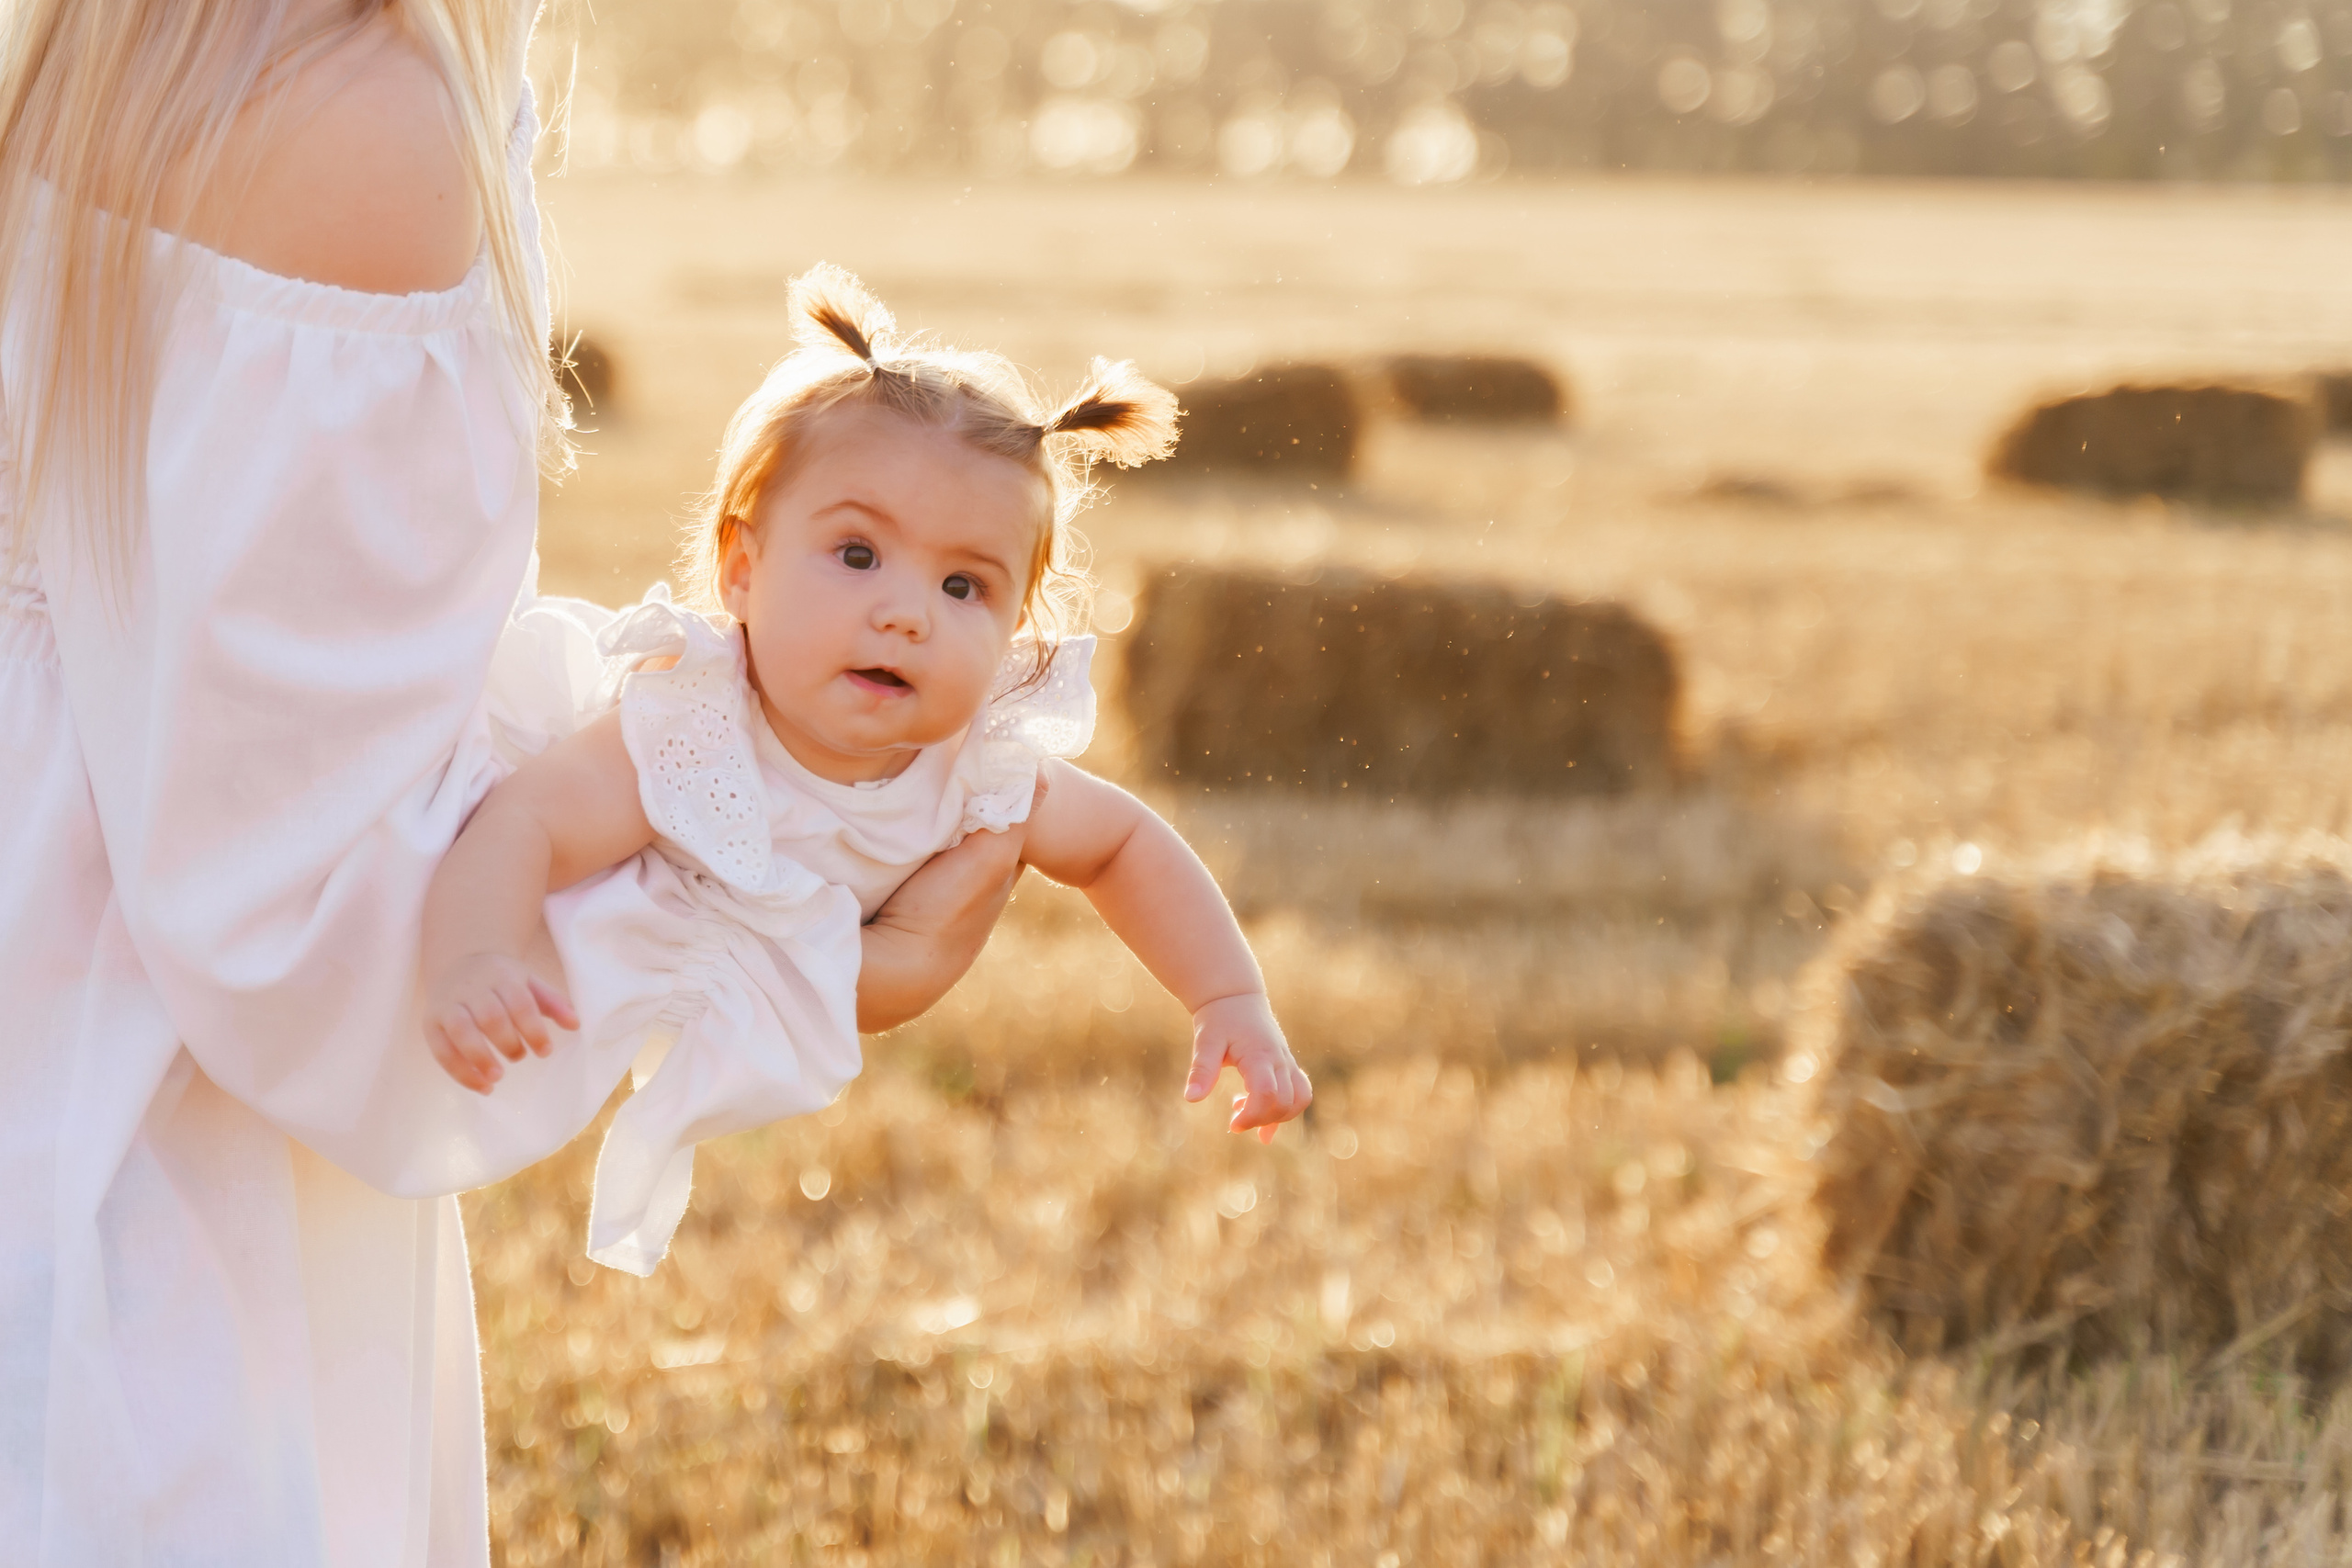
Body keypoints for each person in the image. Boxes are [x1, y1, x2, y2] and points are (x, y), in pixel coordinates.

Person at [0, 2, 1019, 1559]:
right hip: (140, 1130)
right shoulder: (364, 120)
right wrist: (784, 928)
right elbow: (299, 921)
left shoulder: (131, 41)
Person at [419, 268, 1315, 1274]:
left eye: (963, 585)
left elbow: (1123, 846)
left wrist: (1227, 998)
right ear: (742, 569)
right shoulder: (693, 728)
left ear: (1016, 630)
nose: (906, 613)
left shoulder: (979, 769)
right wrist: (471, 958)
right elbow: (527, 823)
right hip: (545, 968)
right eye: (856, 555)